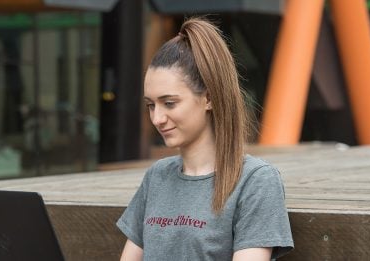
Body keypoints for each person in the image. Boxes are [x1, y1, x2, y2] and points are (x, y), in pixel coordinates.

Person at [116, 17, 294, 260]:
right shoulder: (157, 176)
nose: (157, 118)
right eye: (150, 105)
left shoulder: (255, 180)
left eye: (169, 103)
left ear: (208, 98)